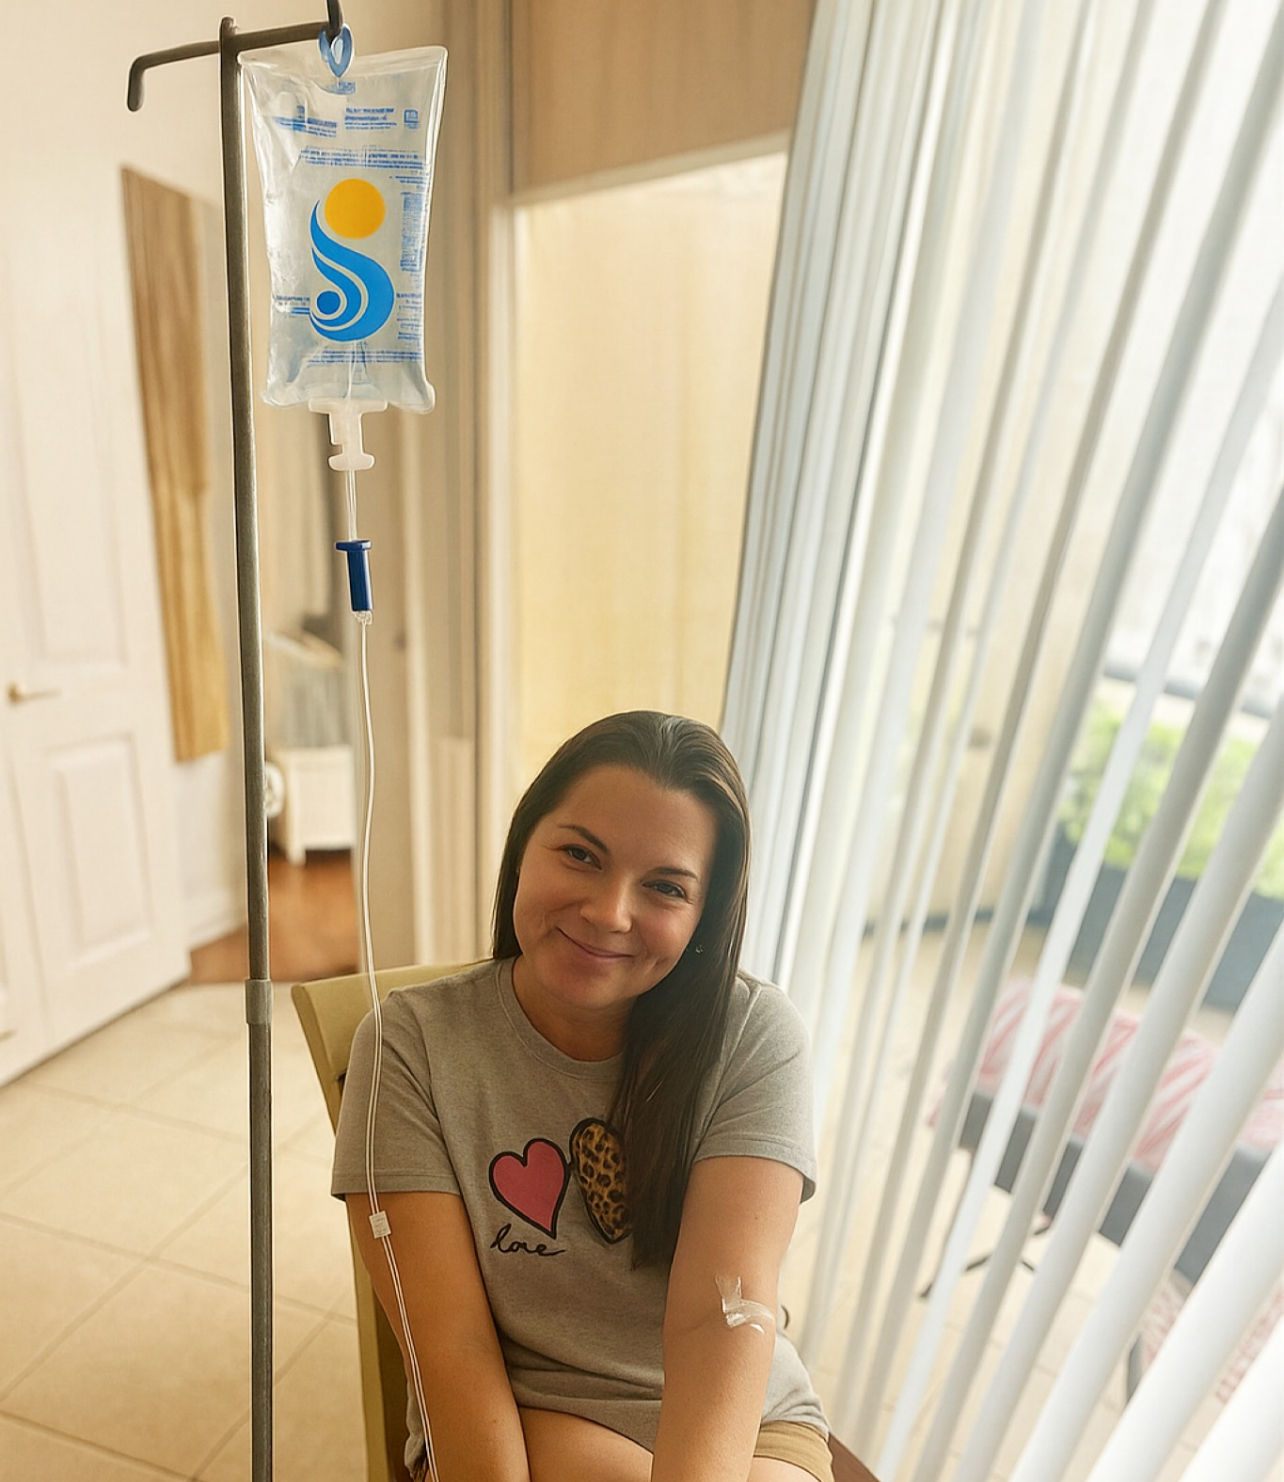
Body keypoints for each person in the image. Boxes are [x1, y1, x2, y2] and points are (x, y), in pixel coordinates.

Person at [332, 711, 832, 1482]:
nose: (609, 912)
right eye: (580, 855)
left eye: (664, 886)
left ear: (705, 916)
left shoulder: (757, 1039)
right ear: (523, 849)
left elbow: (720, 1319)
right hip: (532, 1411)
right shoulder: (411, 1045)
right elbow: (452, 1347)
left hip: (745, 1423)